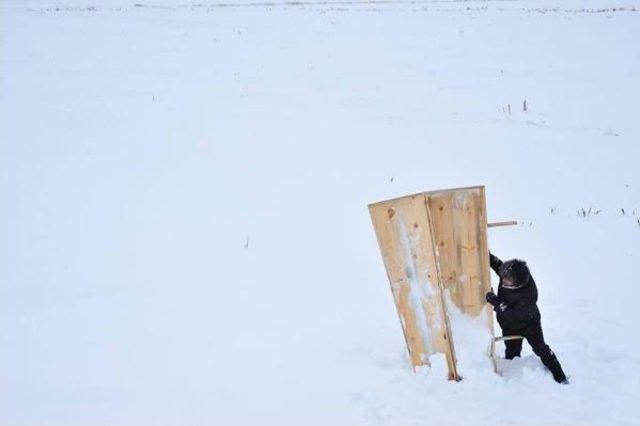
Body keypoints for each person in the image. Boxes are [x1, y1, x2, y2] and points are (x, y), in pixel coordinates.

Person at [486, 252, 568, 384]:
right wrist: (488, 256)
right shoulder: (509, 273)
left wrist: (495, 302)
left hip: (529, 323)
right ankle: (514, 382)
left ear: (517, 284)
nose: (503, 281)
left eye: (506, 280)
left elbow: (512, 314)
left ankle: (560, 377)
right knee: (512, 352)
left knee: (540, 348)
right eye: (503, 277)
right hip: (509, 324)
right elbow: (498, 265)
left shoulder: (529, 295)